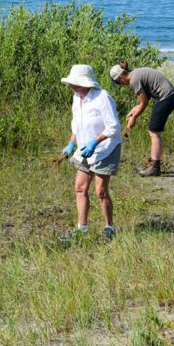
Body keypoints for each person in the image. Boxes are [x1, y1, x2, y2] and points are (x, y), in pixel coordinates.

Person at [59, 64, 122, 241]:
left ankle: (109, 227)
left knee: (100, 191)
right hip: (84, 149)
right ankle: (82, 228)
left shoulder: (102, 97)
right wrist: (71, 143)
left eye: (76, 83)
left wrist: (95, 142)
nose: (72, 86)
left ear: (87, 83)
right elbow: (77, 125)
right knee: (80, 187)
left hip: (105, 149)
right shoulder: (76, 97)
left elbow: (114, 127)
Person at [109, 61, 174, 177]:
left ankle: (155, 167)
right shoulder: (136, 73)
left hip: (166, 98)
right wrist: (133, 112)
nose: (120, 85)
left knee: (153, 132)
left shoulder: (133, 80)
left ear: (121, 77)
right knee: (154, 131)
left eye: (117, 82)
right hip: (169, 97)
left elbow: (144, 103)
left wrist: (134, 118)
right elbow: (143, 101)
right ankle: (153, 162)